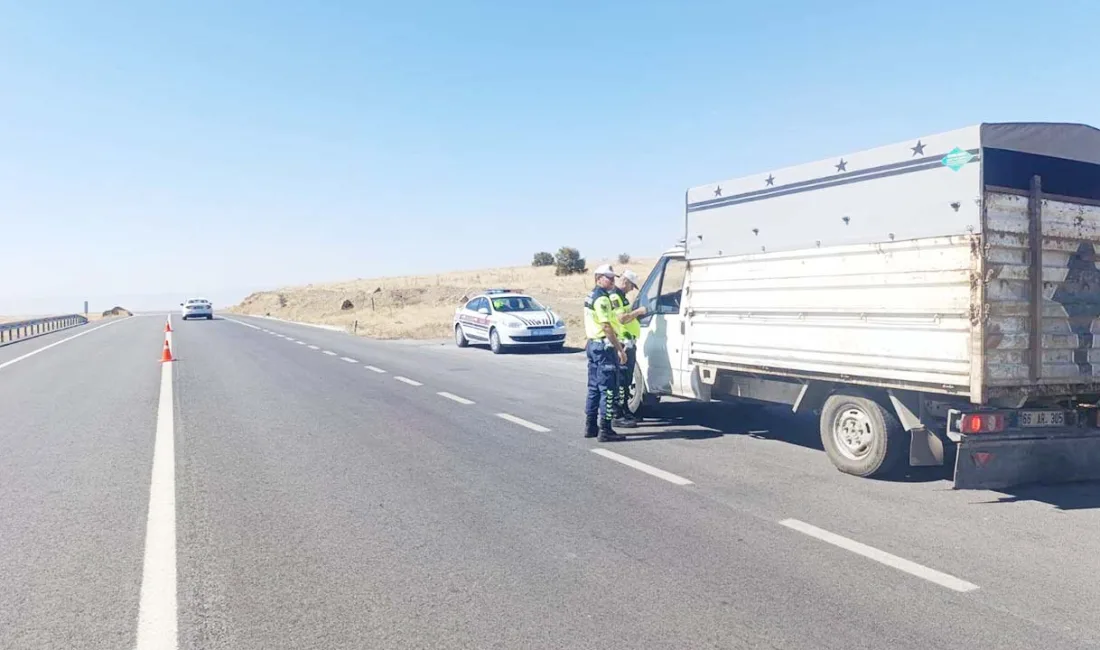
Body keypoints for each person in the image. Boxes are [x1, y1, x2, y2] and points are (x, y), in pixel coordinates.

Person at [584, 264, 627, 442]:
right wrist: (619, 349)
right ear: (598, 278)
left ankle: (591, 426)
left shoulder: (591, 295)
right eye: (608, 278)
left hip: (593, 345)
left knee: (593, 388)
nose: (612, 281)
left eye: (613, 278)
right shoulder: (601, 299)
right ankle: (605, 429)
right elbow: (606, 326)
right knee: (608, 390)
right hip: (604, 348)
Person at [611, 269, 643, 427]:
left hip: (628, 341)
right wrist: (638, 312)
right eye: (631, 286)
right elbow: (621, 319)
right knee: (621, 379)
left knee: (626, 380)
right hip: (623, 342)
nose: (632, 290)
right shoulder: (615, 297)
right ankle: (617, 414)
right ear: (625, 282)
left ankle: (625, 410)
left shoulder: (622, 297)